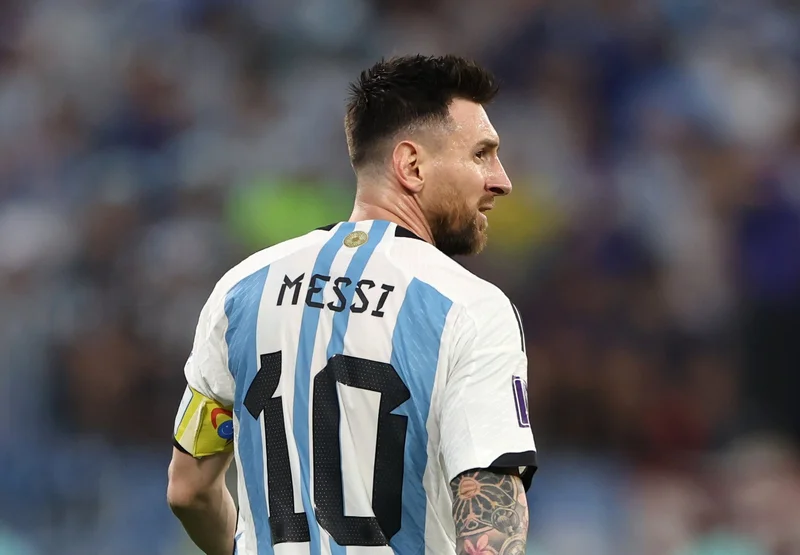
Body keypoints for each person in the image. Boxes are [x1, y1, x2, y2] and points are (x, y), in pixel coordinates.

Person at [167, 54, 538, 555]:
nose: (501, 180)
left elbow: (188, 490)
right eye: (481, 155)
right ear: (412, 165)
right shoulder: (469, 307)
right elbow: (488, 533)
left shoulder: (241, 291)